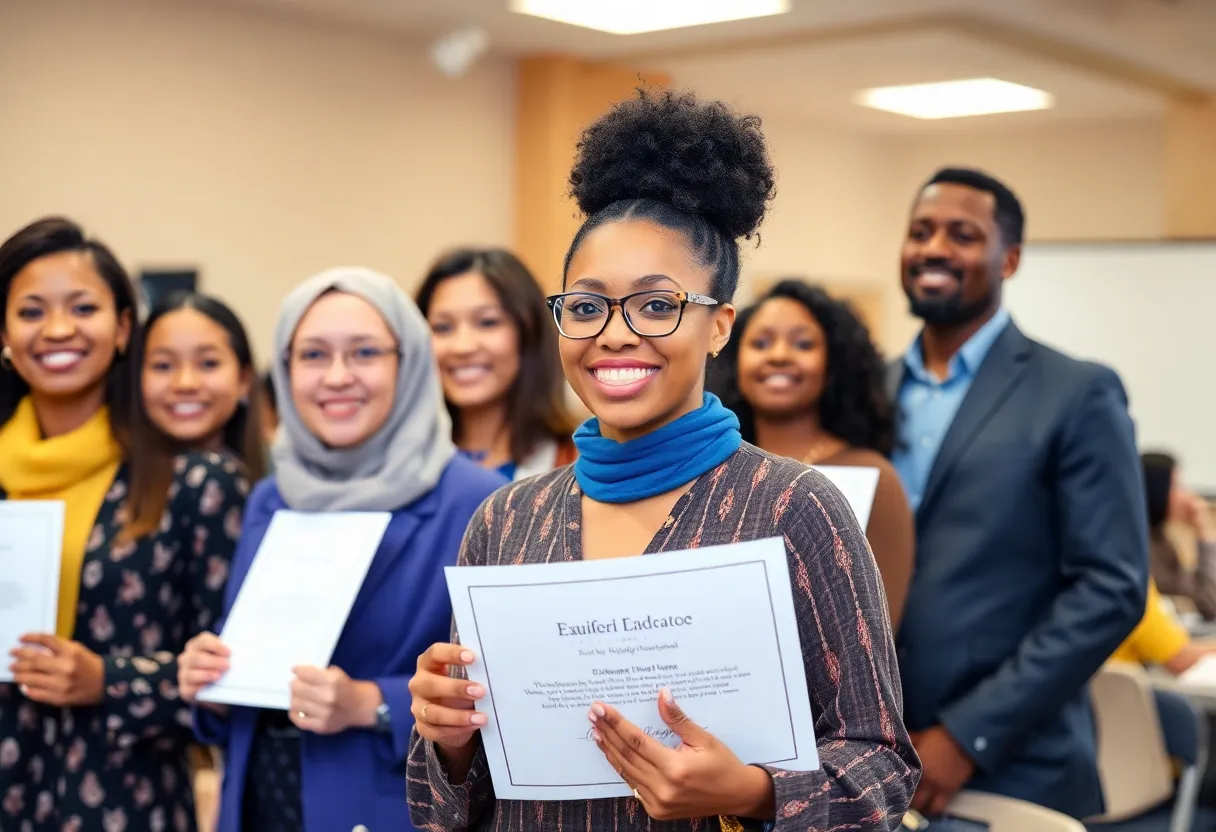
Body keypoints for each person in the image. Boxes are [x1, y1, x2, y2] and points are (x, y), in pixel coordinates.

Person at [406, 88, 918, 832]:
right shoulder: (507, 520)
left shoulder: (794, 507)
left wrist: (749, 792)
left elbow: (882, 765)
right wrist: (448, 739)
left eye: (656, 305)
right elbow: (445, 807)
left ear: (719, 328)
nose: (613, 334)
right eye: (585, 307)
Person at [177, 267, 505, 832]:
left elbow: (499, 690)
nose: (336, 376)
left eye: (364, 353)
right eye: (311, 355)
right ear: (283, 370)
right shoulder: (271, 498)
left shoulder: (477, 501)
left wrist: (370, 702)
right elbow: (256, 652)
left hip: (382, 806)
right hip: (258, 801)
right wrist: (211, 682)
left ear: (408, 365)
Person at [889, 168, 1147, 820]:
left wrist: (966, 735)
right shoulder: (868, 393)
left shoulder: (1076, 392)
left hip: (1015, 761)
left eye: (962, 234)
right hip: (878, 756)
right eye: (920, 232)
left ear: (1010, 259)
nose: (935, 249)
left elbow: (1110, 587)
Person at [0, 216, 247, 830]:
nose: (58, 329)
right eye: (31, 312)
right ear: (3, 333)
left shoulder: (192, 481)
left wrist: (107, 678)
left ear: (122, 327)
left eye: (83, 307)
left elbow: (231, 669)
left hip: (123, 800)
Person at [709, 279, 914, 626]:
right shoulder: (710, 469)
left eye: (802, 344)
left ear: (832, 366)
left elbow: (880, 630)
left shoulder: (875, 476)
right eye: (760, 343)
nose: (778, 355)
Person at [417, 247, 577, 480]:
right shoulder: (396, 465)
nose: (463, 346)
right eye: (443, 327)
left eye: (487, 322)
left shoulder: (577, 462)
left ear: (529, 333)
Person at [138, 291, 267, 480]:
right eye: (163, 365)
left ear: (244, 380)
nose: (185, 383)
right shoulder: (110, 480)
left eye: (208, 363)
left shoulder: (281, 487)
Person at [1142, 451, 1216, 620]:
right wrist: (1205, 533)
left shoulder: (1160, 539)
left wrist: (1204, 532)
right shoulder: (1139, 544)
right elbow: (1211, 603)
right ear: (1155, 487)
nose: (1186, 494)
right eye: (1176, 485)